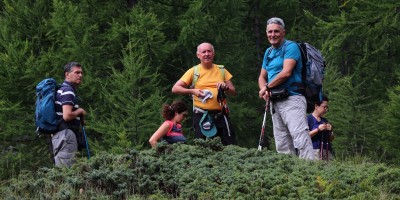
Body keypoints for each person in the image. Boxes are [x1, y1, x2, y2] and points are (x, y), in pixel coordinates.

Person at [258, 17, 315, 160]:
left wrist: (266, 88)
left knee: (299, 136)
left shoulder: (291, 47)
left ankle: (311, 172)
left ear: (283, 32)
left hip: (292, 98)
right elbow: (262, 76)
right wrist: (264, 90)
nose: (273, 34)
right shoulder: (268, 52)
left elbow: (286, 73)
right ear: (266, 33)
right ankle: (288, 175)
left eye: (276, 31)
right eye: (270, 31)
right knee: (282, 141)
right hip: (275, 101)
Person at [172, 42, 237, 145]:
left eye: (209, 51)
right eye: (204, 52)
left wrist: (225, 87)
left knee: (228, 145)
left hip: (221, 115)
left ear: (213, 53)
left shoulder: (221, 70)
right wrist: (193, 91)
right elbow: (175, 88)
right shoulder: (194, 71)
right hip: (202, 116)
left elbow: (233, 92)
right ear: (198, 55)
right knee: (204, 147)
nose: (207, 54)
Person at [52, 62, 87, 167]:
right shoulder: (68, 91)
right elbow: (67, 116)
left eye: (81, 73)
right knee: (67, 173)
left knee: (62, 171)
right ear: (67, 74)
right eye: (77, 72)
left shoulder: (62, 89)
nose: (80, 75)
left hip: (59, 136)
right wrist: (80, 111)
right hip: (66, 135)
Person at [307, 95, 334, 160]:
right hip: (314, 151)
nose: (326, 110)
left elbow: (330, 139)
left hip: (327, 150)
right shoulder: (308, 119)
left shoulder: (325, 120)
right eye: (324, 107)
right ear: (316, 106)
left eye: (327, 107)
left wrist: (331, 131)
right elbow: (304, 136)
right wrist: (318, 129)